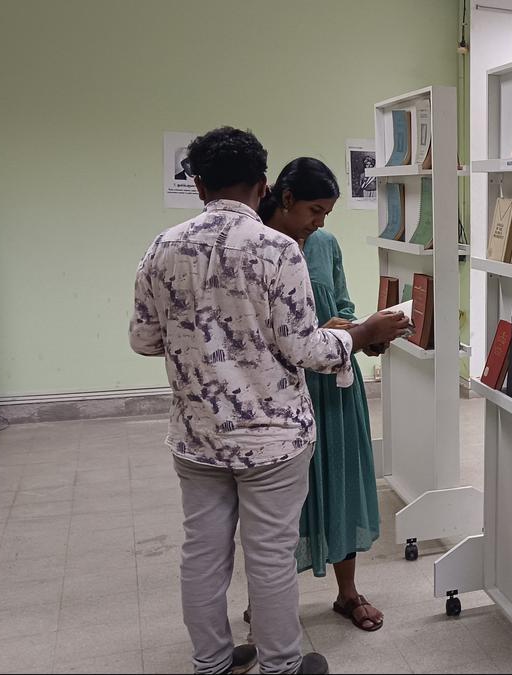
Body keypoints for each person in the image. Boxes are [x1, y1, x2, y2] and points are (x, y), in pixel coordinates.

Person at [129, 127, 409, 674]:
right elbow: (306, 347)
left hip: (197, 437)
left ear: (200, 183)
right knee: (270, 558)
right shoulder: (277, 250)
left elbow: (143, 341)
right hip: (272, 441)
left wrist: (201, 347)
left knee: (203, 556)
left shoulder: (162, 247)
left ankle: (210, 663)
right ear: (263, 185)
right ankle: (281, 665)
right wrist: (360, 333)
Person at [255, 157, 387, 631]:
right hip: (284, 390)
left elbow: (344, 302)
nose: (319, 222)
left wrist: (352, 328)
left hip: (334, 383)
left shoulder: (324, 244)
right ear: (285, 199)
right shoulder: (260, 249)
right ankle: (268, 599)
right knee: (280, 500)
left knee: (342, 480)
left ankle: (347, 592)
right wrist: (313, 334)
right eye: (314, 210)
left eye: (326, 214)